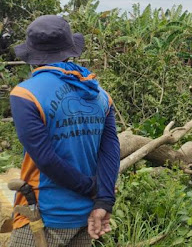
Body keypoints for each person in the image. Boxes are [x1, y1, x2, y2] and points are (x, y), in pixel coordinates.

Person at [9, 15, 120, 246]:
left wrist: (93, 190)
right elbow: (110, 151)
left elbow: (46, 160)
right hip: (87, 216)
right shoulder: (100, 94)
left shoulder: (25, 95)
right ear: (70, 50)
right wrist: (103, 200)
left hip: (43, 216)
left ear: (33, 55)